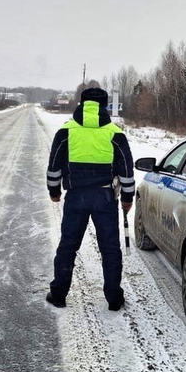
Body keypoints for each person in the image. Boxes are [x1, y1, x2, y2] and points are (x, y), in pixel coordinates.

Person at [45, 87, 135, 311]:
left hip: (75, 197)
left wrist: (54, 191)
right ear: (104, 106)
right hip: (105, 197)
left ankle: (58, 294)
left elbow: (54, 166)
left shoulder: (66, 131)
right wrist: (127, 197)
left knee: (68, 246)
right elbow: (126, 169)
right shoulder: (115, 133)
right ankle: (114, 298)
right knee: (110, 248)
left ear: (81, 104)